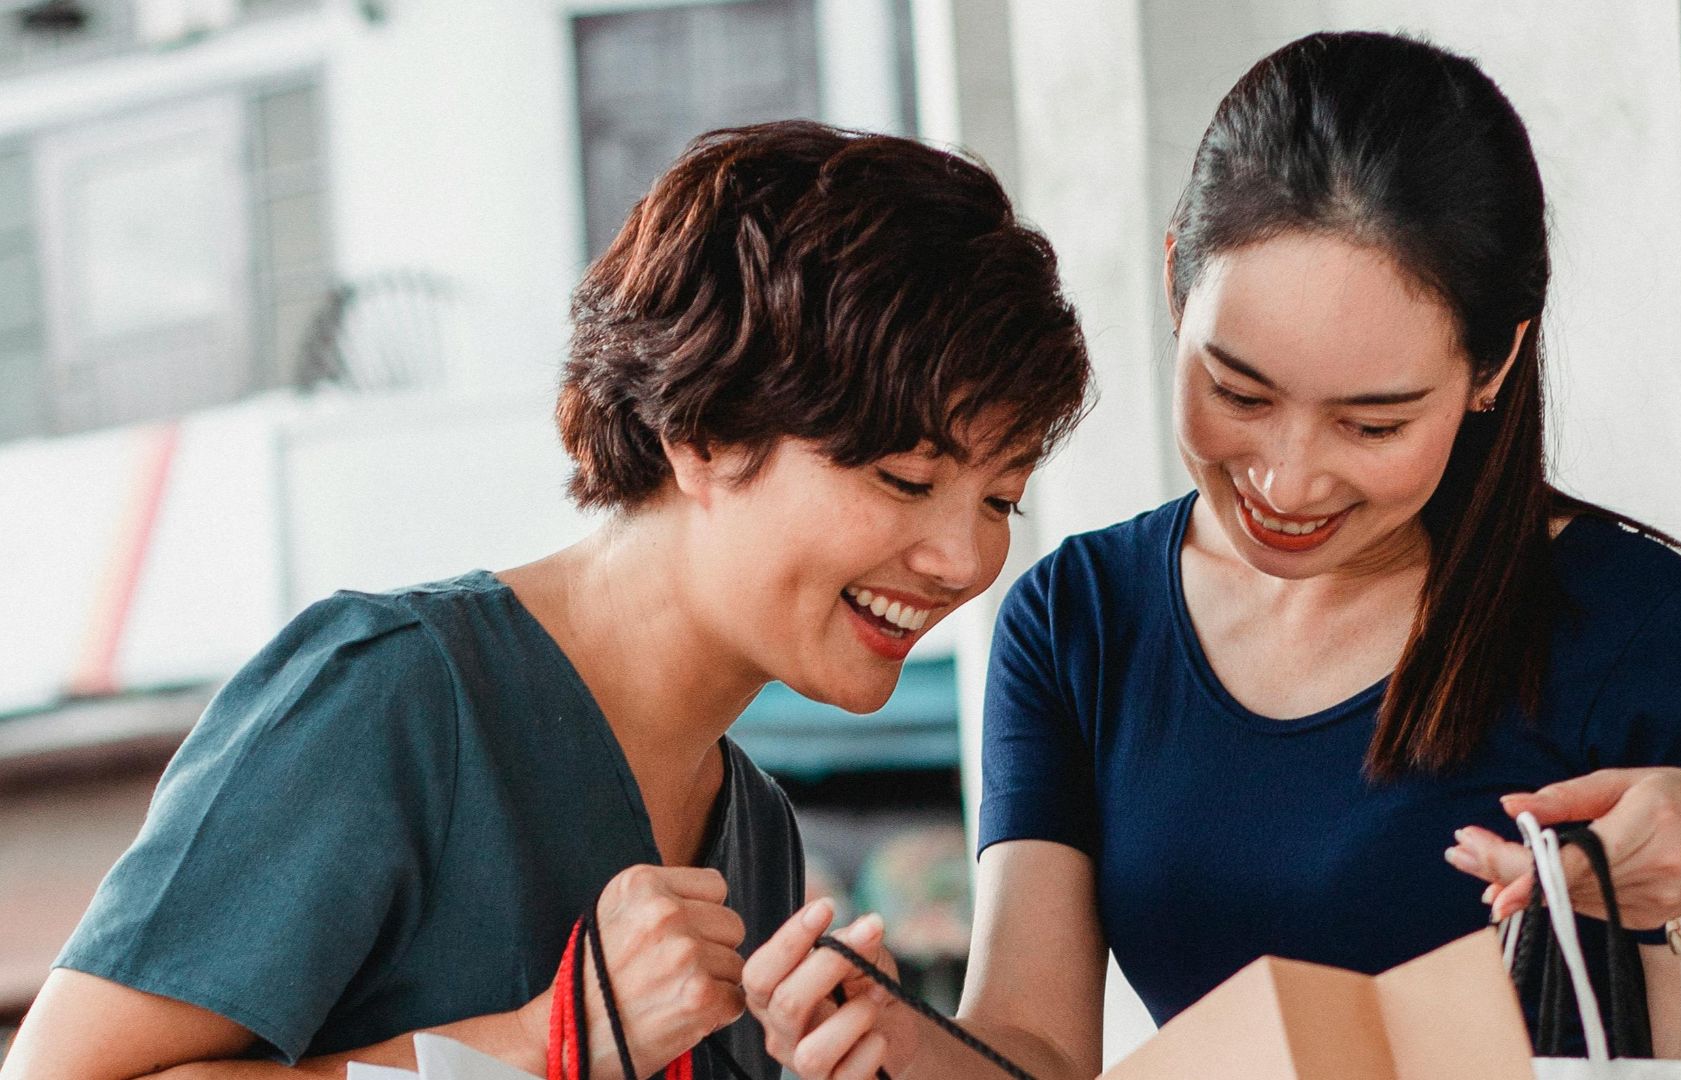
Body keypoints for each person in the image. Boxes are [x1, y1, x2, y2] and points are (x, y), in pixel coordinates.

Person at [742, 32, 1681, 1080]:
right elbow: (1033, 1052)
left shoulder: (1629, 629)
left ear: (1495, 363)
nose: (1291, 480)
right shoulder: (1080, 622)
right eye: (1239, 393)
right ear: (1176, 284)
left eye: (1372, 425)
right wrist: (892, 1038)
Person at [1, 120, 1091, 1080]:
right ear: (704, 433)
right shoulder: (390, 697)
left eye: (1001, 500)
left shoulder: (753, 830)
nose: (962, 558)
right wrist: (541, 1044)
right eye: (905, 480)